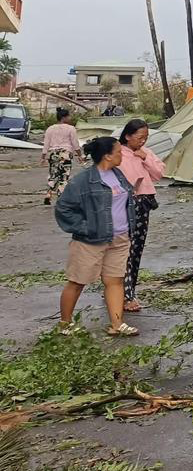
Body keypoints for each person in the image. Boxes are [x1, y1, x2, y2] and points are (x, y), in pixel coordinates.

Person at [54, 136, 139, 336]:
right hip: (90, 241)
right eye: (118, 152)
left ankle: (117, 324)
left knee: (115, 281)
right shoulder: (83, 180)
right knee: (77, 281)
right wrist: (85, 227)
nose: (122, 156)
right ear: (107, 156)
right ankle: (65, 324)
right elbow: (63, 208)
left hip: (119, 238)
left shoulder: (117, 174)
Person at [117, 118, 165, 313]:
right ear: (127, 136)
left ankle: (127, 290)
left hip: (143, 204)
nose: (143, 141)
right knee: (123, 249)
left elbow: (159, 173)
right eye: (139, 137)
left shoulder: (145, 153)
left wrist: (144, 156)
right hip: (123, 204)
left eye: (146, 137)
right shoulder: (117, 153)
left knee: (136, 248)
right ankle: (123, 293)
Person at [41, 107, 83, 204]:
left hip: (53, 154)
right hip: (65, 154)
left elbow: (46, 144)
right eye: (69, 116)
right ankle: (60, 198)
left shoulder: (50, 129)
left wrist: (43, 157)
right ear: (64, 117)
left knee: (53, 174)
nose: (70, 118)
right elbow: (75, 144)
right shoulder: (71, 128)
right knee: (64, 177)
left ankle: (48, 193)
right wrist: (80, 155)